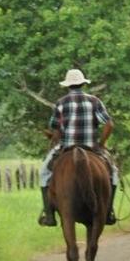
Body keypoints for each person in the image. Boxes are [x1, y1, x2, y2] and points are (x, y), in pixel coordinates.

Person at [38, 68, 118, 227]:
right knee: (113, 173)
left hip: (66, 147)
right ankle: (108, 211)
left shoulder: (61, 103)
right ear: (82, 84)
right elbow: (109, 124)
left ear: (68, 86)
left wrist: (55, 136)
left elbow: (56, 131)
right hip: (91, 147)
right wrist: (101, 144)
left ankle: (49, 215)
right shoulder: (95, 101)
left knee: (44, 173)